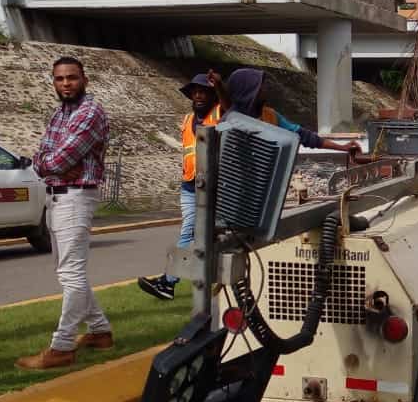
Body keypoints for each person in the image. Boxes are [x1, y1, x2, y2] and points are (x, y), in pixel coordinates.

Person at [17, 57, 113, 370]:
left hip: (75, 198)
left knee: (70, 274)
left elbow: (57, 161)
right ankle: (100, 332)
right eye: (59, 79)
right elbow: (42, 153)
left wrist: (46, 162)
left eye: (72, 77)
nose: (66, 84)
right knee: (69, 271)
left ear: (84, 79)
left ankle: (62, 346)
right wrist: (47, 161)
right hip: (57, 198)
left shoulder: (90, 112)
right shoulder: (61, 113)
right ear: (54, 82)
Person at [137, 73, 221, 301]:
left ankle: (174, 282)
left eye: (203, 91)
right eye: (195, 92)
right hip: (190, 185)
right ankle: (169, 282)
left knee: (213, 235)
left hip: (214, 186)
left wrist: (221, 86)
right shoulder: (186, 120)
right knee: (189, 232)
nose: (198, 95)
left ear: (213, 95)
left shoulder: (220, 114)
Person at [216, 68, 361, 158]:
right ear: (247, 92)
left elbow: (305, 136)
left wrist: (342, 148)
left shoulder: (270, 116)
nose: (264, 91)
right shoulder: (228, 123)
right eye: (259, 88)